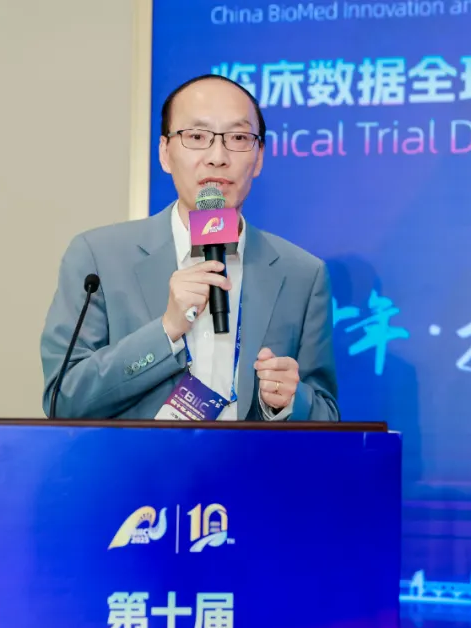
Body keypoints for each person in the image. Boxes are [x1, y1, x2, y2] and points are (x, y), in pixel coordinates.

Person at [40, 74, 339, 422]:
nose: (217, 157)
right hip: (139, 459)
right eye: (197, 136)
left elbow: (327, 416)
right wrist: (166, 330)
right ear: (165, 153)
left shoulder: (302, 274)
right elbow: (64, 399)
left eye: (238, 138)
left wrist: (288, 401)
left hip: (248, 459)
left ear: (259, 158)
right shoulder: (98, 258)